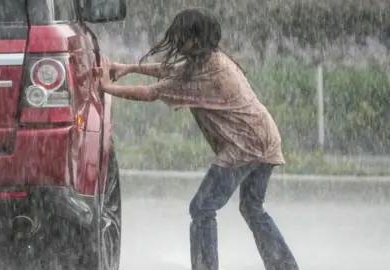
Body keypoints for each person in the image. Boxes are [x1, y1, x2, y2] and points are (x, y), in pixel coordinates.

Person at [98, 7, 299, 270]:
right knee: (252, 208)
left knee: (202, 208)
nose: (178, 43)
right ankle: (284, 267)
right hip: (265, 138)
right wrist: (129, 67)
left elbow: (151, 93)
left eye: (182, 38)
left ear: (196, 38)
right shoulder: (210, 59)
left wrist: (107, 87)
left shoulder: (208, 73)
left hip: (244, 144)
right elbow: (172, 70)